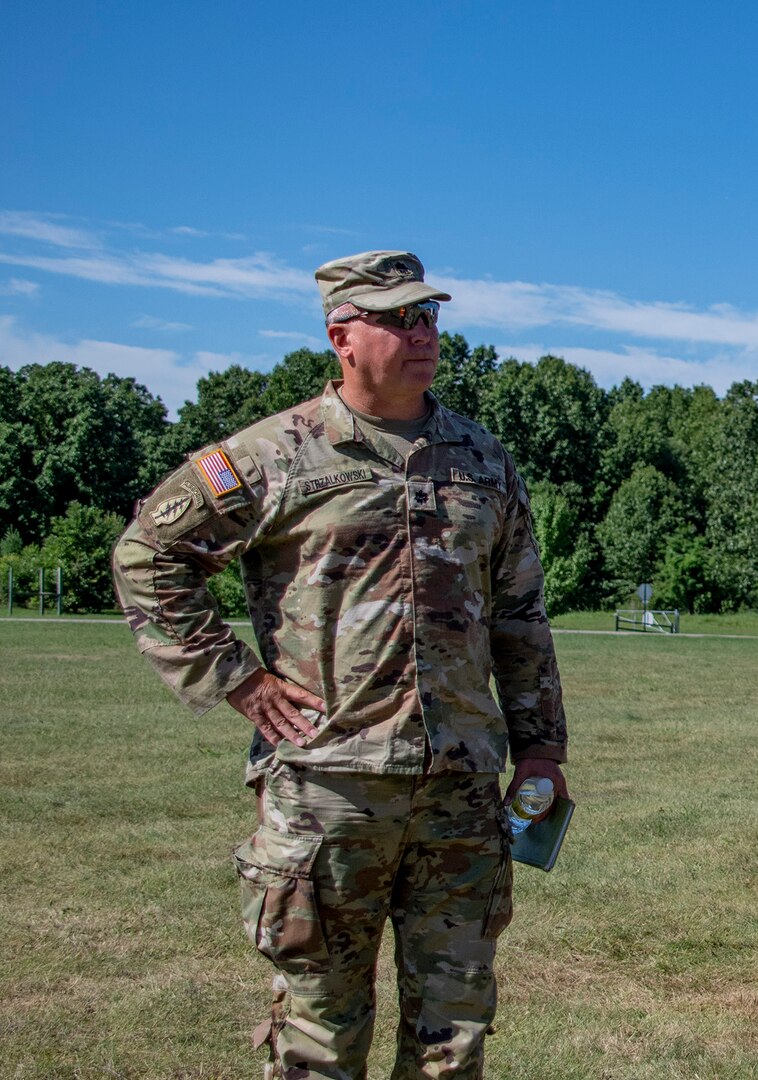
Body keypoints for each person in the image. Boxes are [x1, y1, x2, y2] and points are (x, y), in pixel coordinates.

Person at [112, 250, 569, 1079]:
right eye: (399, 319)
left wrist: (542, 749)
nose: (423, 333)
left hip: (459, 789)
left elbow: (520, 615)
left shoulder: (483, 459)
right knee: (320, 1036)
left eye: (429, 316)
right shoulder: (271, 456)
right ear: (341, 336)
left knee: (454, 1039)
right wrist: (238, 679)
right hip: (328, 789)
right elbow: (148, 557)